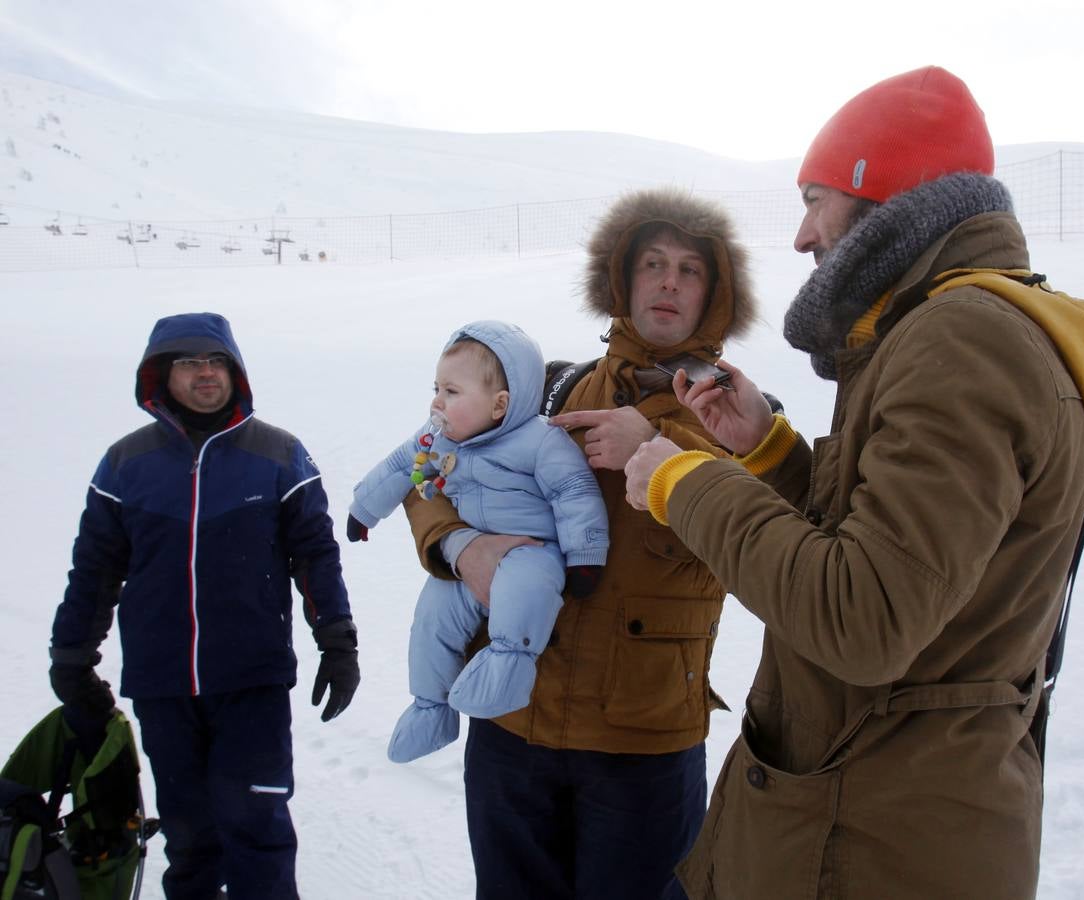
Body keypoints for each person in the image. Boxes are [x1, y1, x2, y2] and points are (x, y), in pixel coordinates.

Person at [624, 66, 1084, 898]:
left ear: (885, 190)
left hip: (872, 843)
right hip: (885, 815)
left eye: (814, 197)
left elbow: (862, 618)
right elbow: (901, 555)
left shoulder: (960, 341)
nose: (801, 236)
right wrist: (767, 452)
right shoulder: (943, 327)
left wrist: (683, 480)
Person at [400, 187, 757, 899]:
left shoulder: (742, 422)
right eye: (652, 262)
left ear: (713, 296)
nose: (667, 282)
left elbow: (757, 542)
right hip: (512, 719)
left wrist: (657, 448)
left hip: (641, 743)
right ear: (621, 280)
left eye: (689, 270)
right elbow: (426, 468)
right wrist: (456, 547)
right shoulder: (547, 389)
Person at [49, 312, 360, 900]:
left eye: (216, 361)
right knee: (189, 836)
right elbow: (93, 570)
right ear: (160, 375)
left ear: (235, 370)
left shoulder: (278, 454)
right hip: (163, 682)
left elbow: (316, 556)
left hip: (252, 681)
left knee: (258, 827)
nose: (205, 374)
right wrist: (71, 655)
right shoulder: (125, 465)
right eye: (189, 363)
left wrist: (337, 641)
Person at [345, 321, 609, 762]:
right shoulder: (437, 439)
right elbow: (397, 467)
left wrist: (584, 557)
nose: (436, 401)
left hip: (532, 549)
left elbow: (575, 492)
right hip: (467, 555)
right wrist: (363, 510)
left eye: (452, 391)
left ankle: (505, 671)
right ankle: (430, 708)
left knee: (528, 595)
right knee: (431, 618)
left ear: (499, 404)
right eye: (436, 387)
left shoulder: (541, 441)